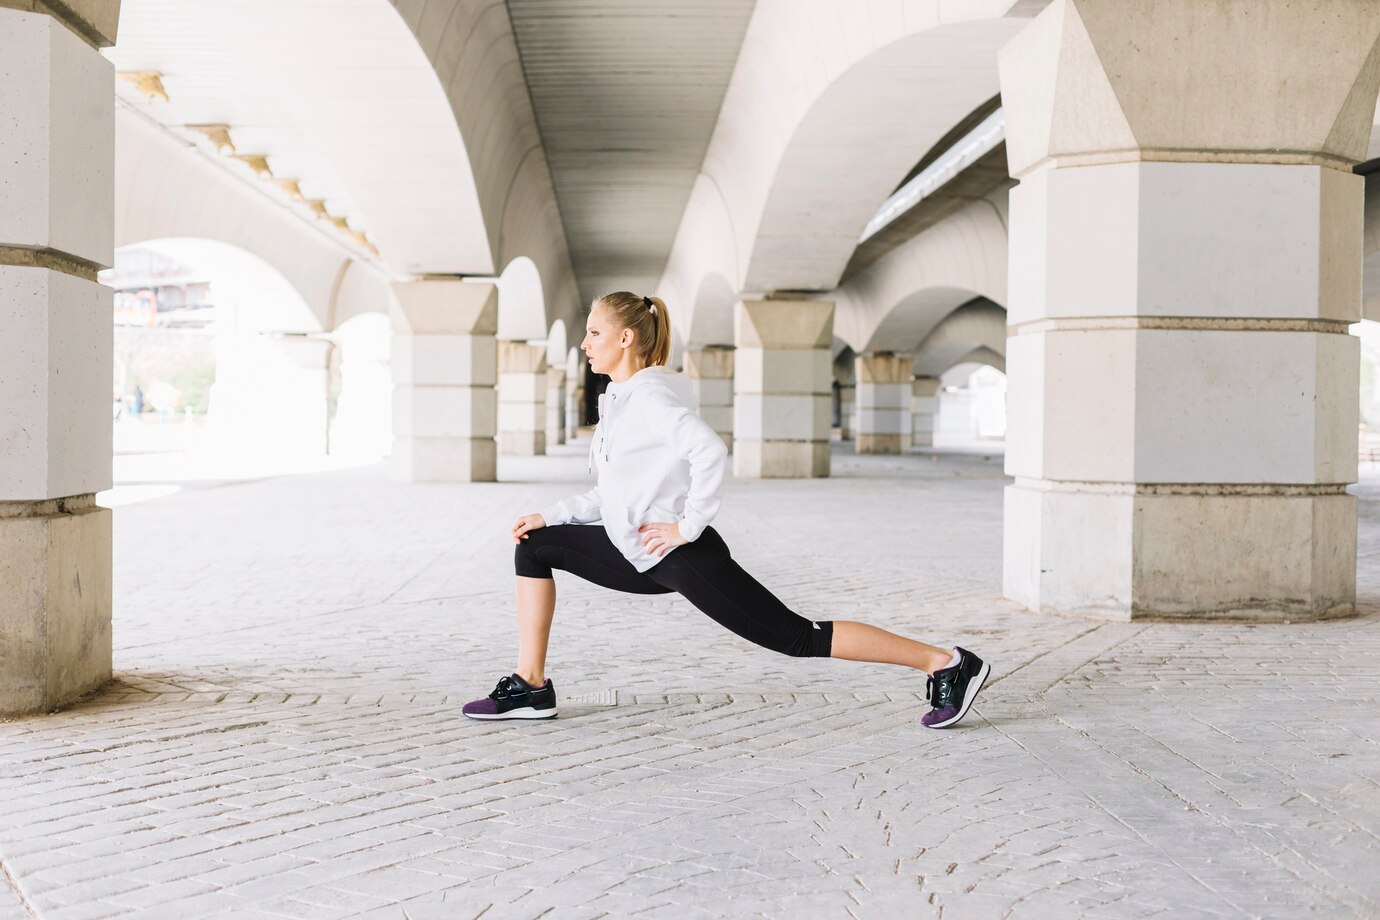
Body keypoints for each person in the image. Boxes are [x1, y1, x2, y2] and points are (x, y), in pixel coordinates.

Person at [462, 292, 991, 729]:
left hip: (677, 556)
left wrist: (687, 526)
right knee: (534, 546)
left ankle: (946, 663)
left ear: (625, 338)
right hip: (635, 551)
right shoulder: (620, 401)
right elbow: (614, 491)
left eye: (594, 333)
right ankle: (531, 686)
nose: (585, 344)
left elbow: (710, 451)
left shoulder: (650, 399)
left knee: (797, 636)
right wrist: (552, 515)